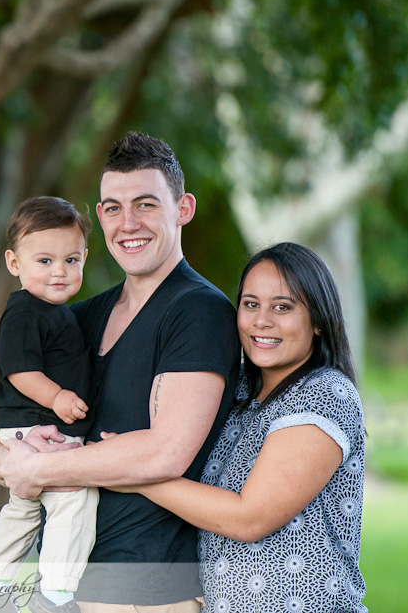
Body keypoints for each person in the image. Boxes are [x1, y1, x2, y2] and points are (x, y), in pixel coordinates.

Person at [0, 131, 241, 613]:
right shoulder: (78, 316)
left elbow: (166, 452)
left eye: (145, 204)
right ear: (100, 216)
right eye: (114, 208)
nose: (128, 224)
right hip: (62, 584)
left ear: (183, 208)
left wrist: (35, 466)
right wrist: (10, 457)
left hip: (144, 590)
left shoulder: (199, 312)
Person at [107, 242, 367, 613]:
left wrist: (134, 473)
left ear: (319, 321)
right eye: (250, 304)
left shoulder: (325, 394)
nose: (262, 320)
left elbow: (250, 518)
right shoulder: (237, 388)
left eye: (283, 306)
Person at [0, 196, 98, 613]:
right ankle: (58, 589)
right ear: (15, 263)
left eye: (70, 260)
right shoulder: (24, 312)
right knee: (74, 497)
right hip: (31, 426)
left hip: (33, 428)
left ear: (85, 257)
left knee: (25, 505)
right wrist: (58, 397)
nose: (59, 272)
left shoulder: (61, 313)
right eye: (44, 261)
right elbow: (19, 370)